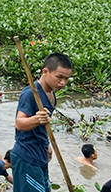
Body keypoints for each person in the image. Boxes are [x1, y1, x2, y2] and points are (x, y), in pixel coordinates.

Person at [12, 53, 73, 192]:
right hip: (26, 156)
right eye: (59, 77)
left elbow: (41, 128)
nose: (63, 83)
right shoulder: (31, 93)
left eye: (66, 79)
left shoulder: (51, 93)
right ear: (45, 71)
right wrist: (36, 119)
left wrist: (47, 144)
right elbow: (19, 123)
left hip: (40, 154)